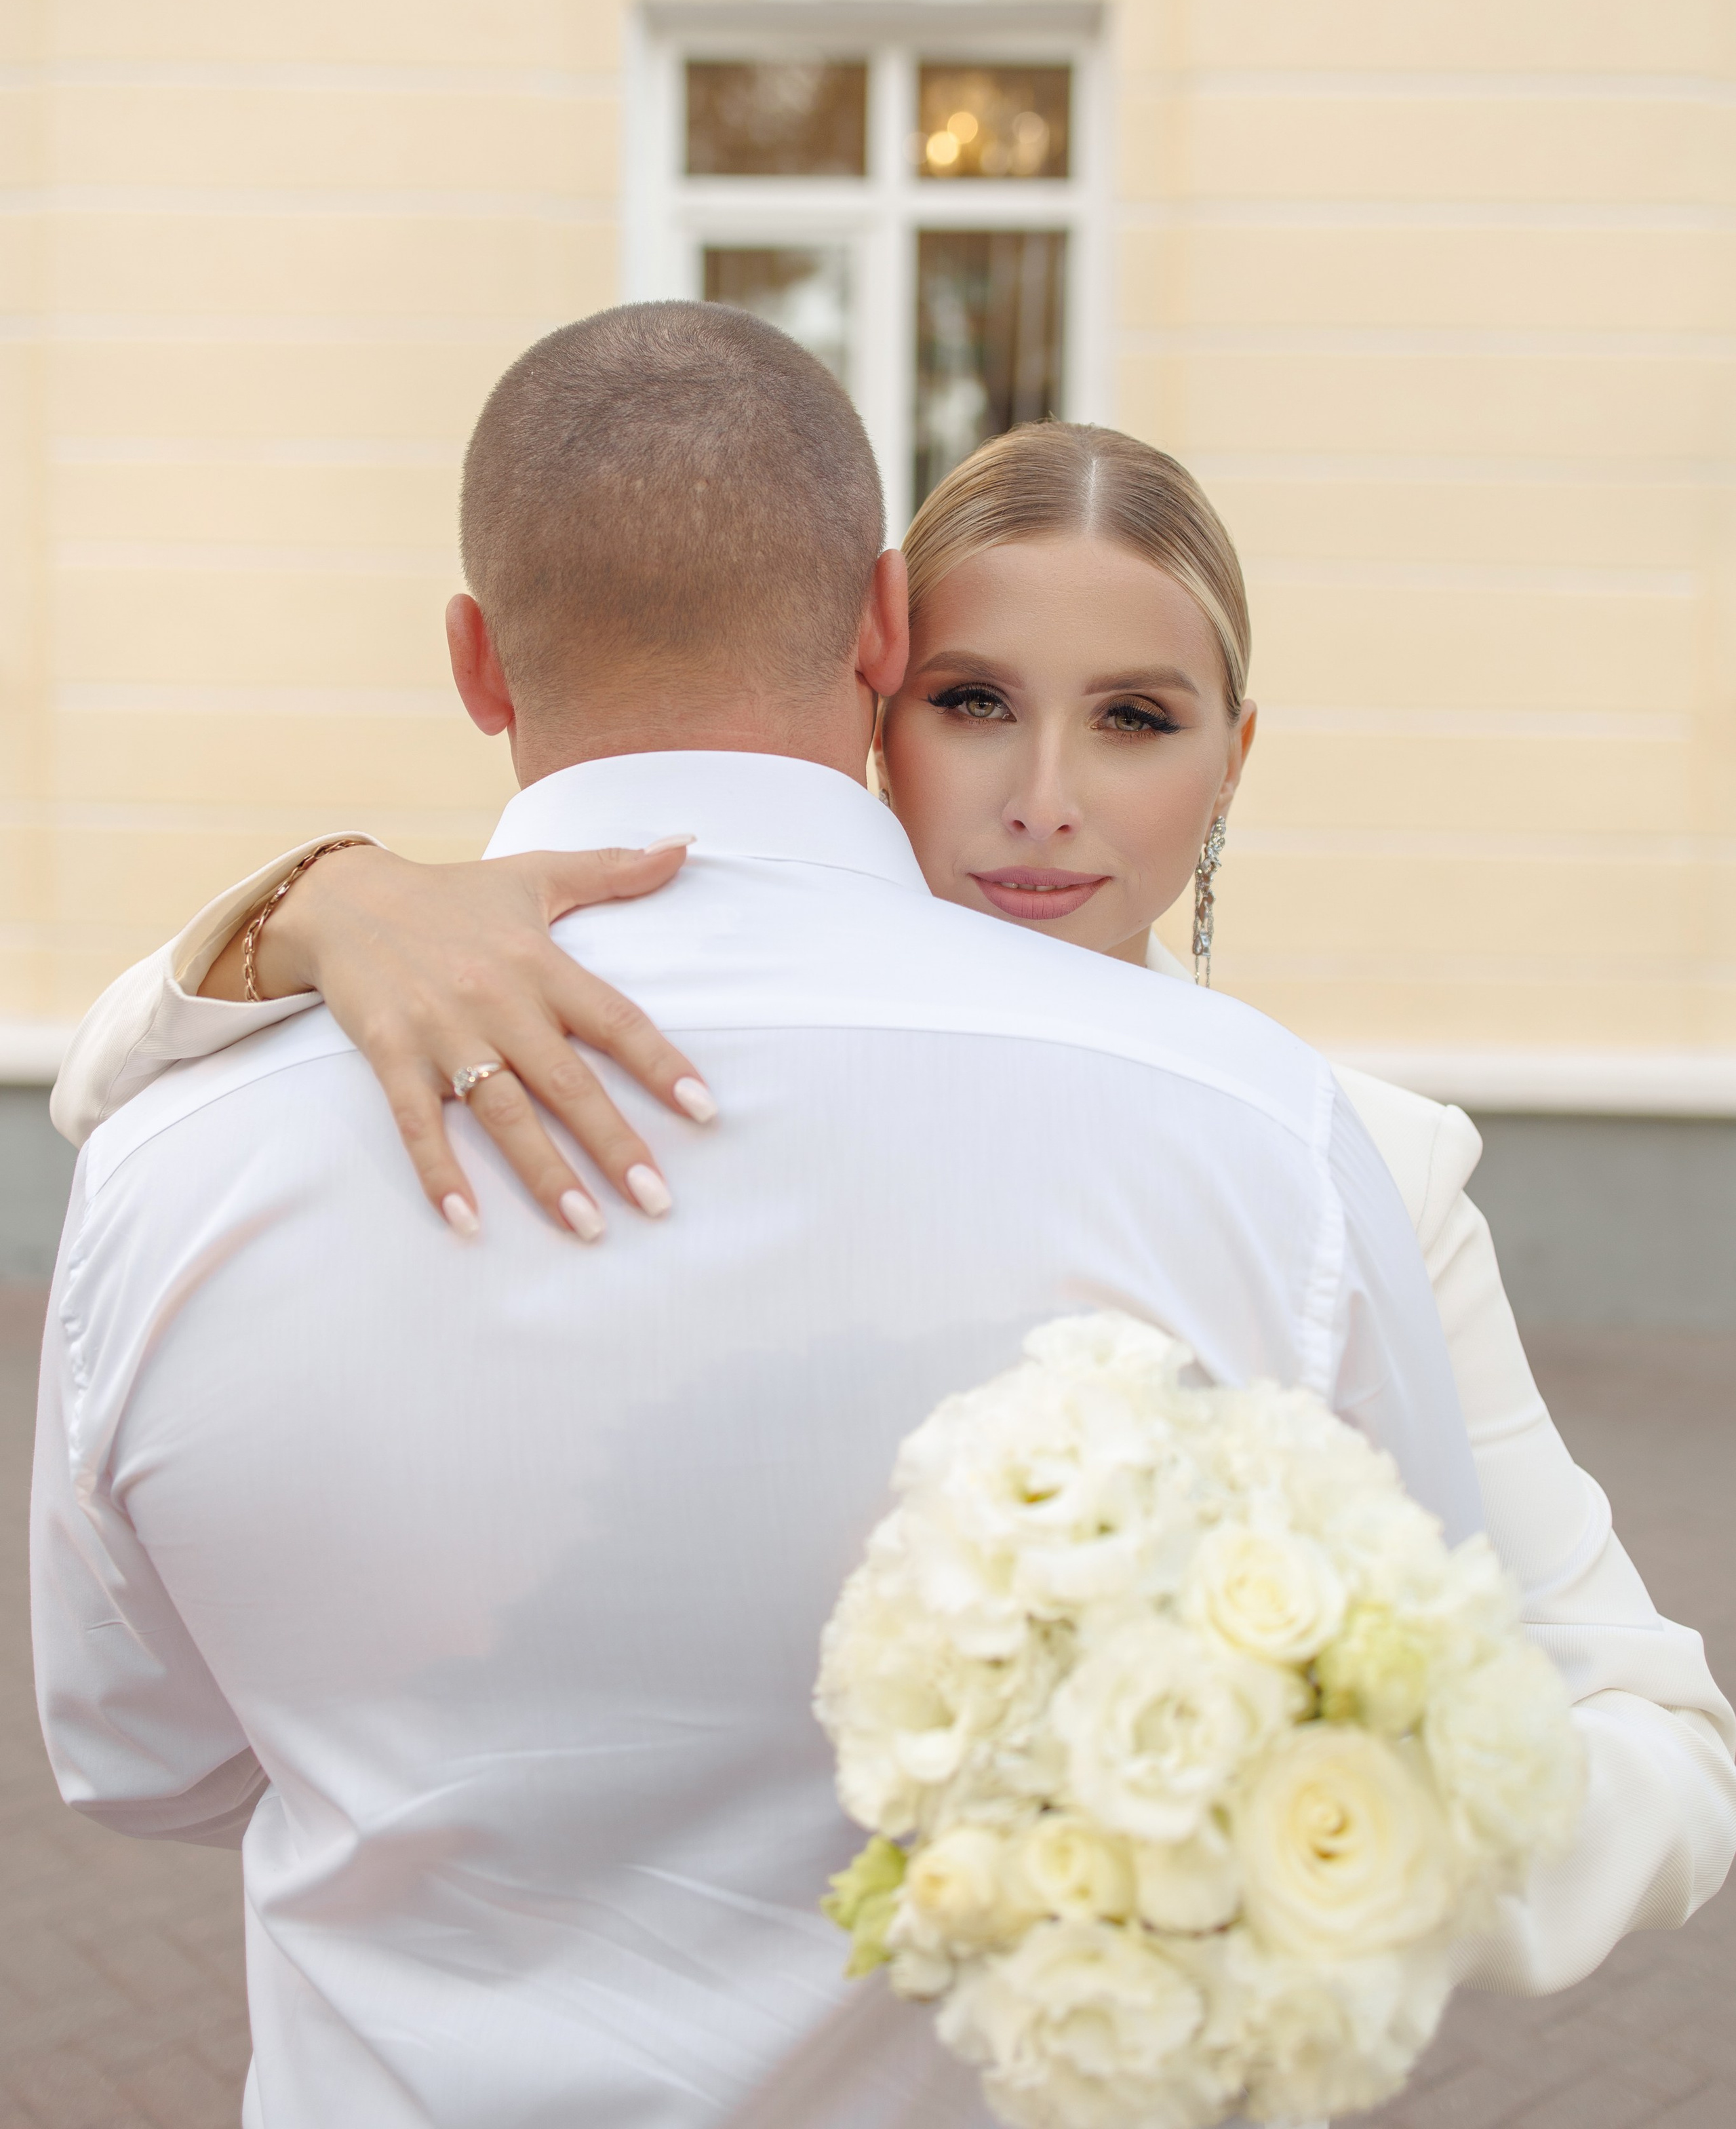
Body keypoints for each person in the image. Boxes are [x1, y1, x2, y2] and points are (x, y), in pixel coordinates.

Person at [50, 385, 1736, 2020]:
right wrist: (314, 906)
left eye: (1134, 718)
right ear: (871, 681)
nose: (1044, 794)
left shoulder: (1336, 1156)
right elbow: (113, 1077)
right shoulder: (459, 983)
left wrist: (1281, 1843)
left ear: (1233, 759)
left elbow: (1626, 1715)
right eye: (972, 701)